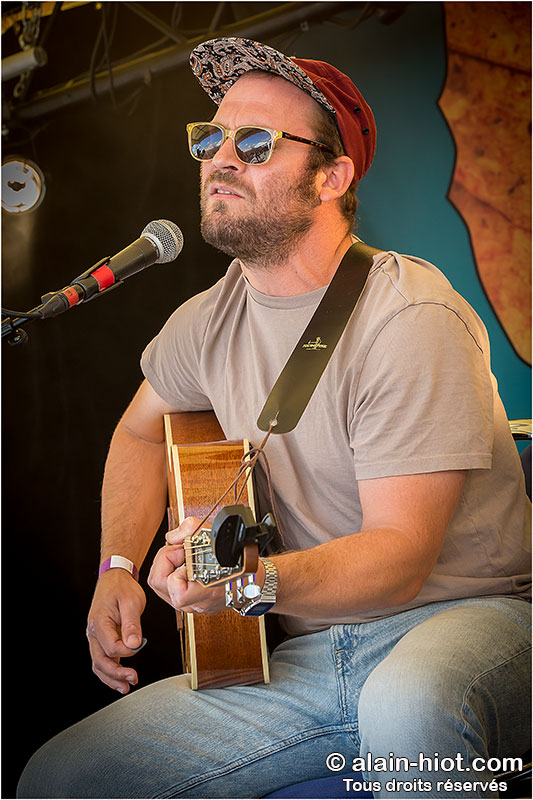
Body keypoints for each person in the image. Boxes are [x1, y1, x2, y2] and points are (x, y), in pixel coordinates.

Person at [18, 36, 530, 800]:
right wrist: (115, 568)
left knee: (405, 706)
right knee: (61, 775)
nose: (220, 158)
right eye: (210, 138)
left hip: (464, 623)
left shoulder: (409, 316)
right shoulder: (205, 321)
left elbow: (399, 558)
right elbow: (137, 431)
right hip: (306, 660)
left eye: (254, 142)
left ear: (331, 177)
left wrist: (242, 587)